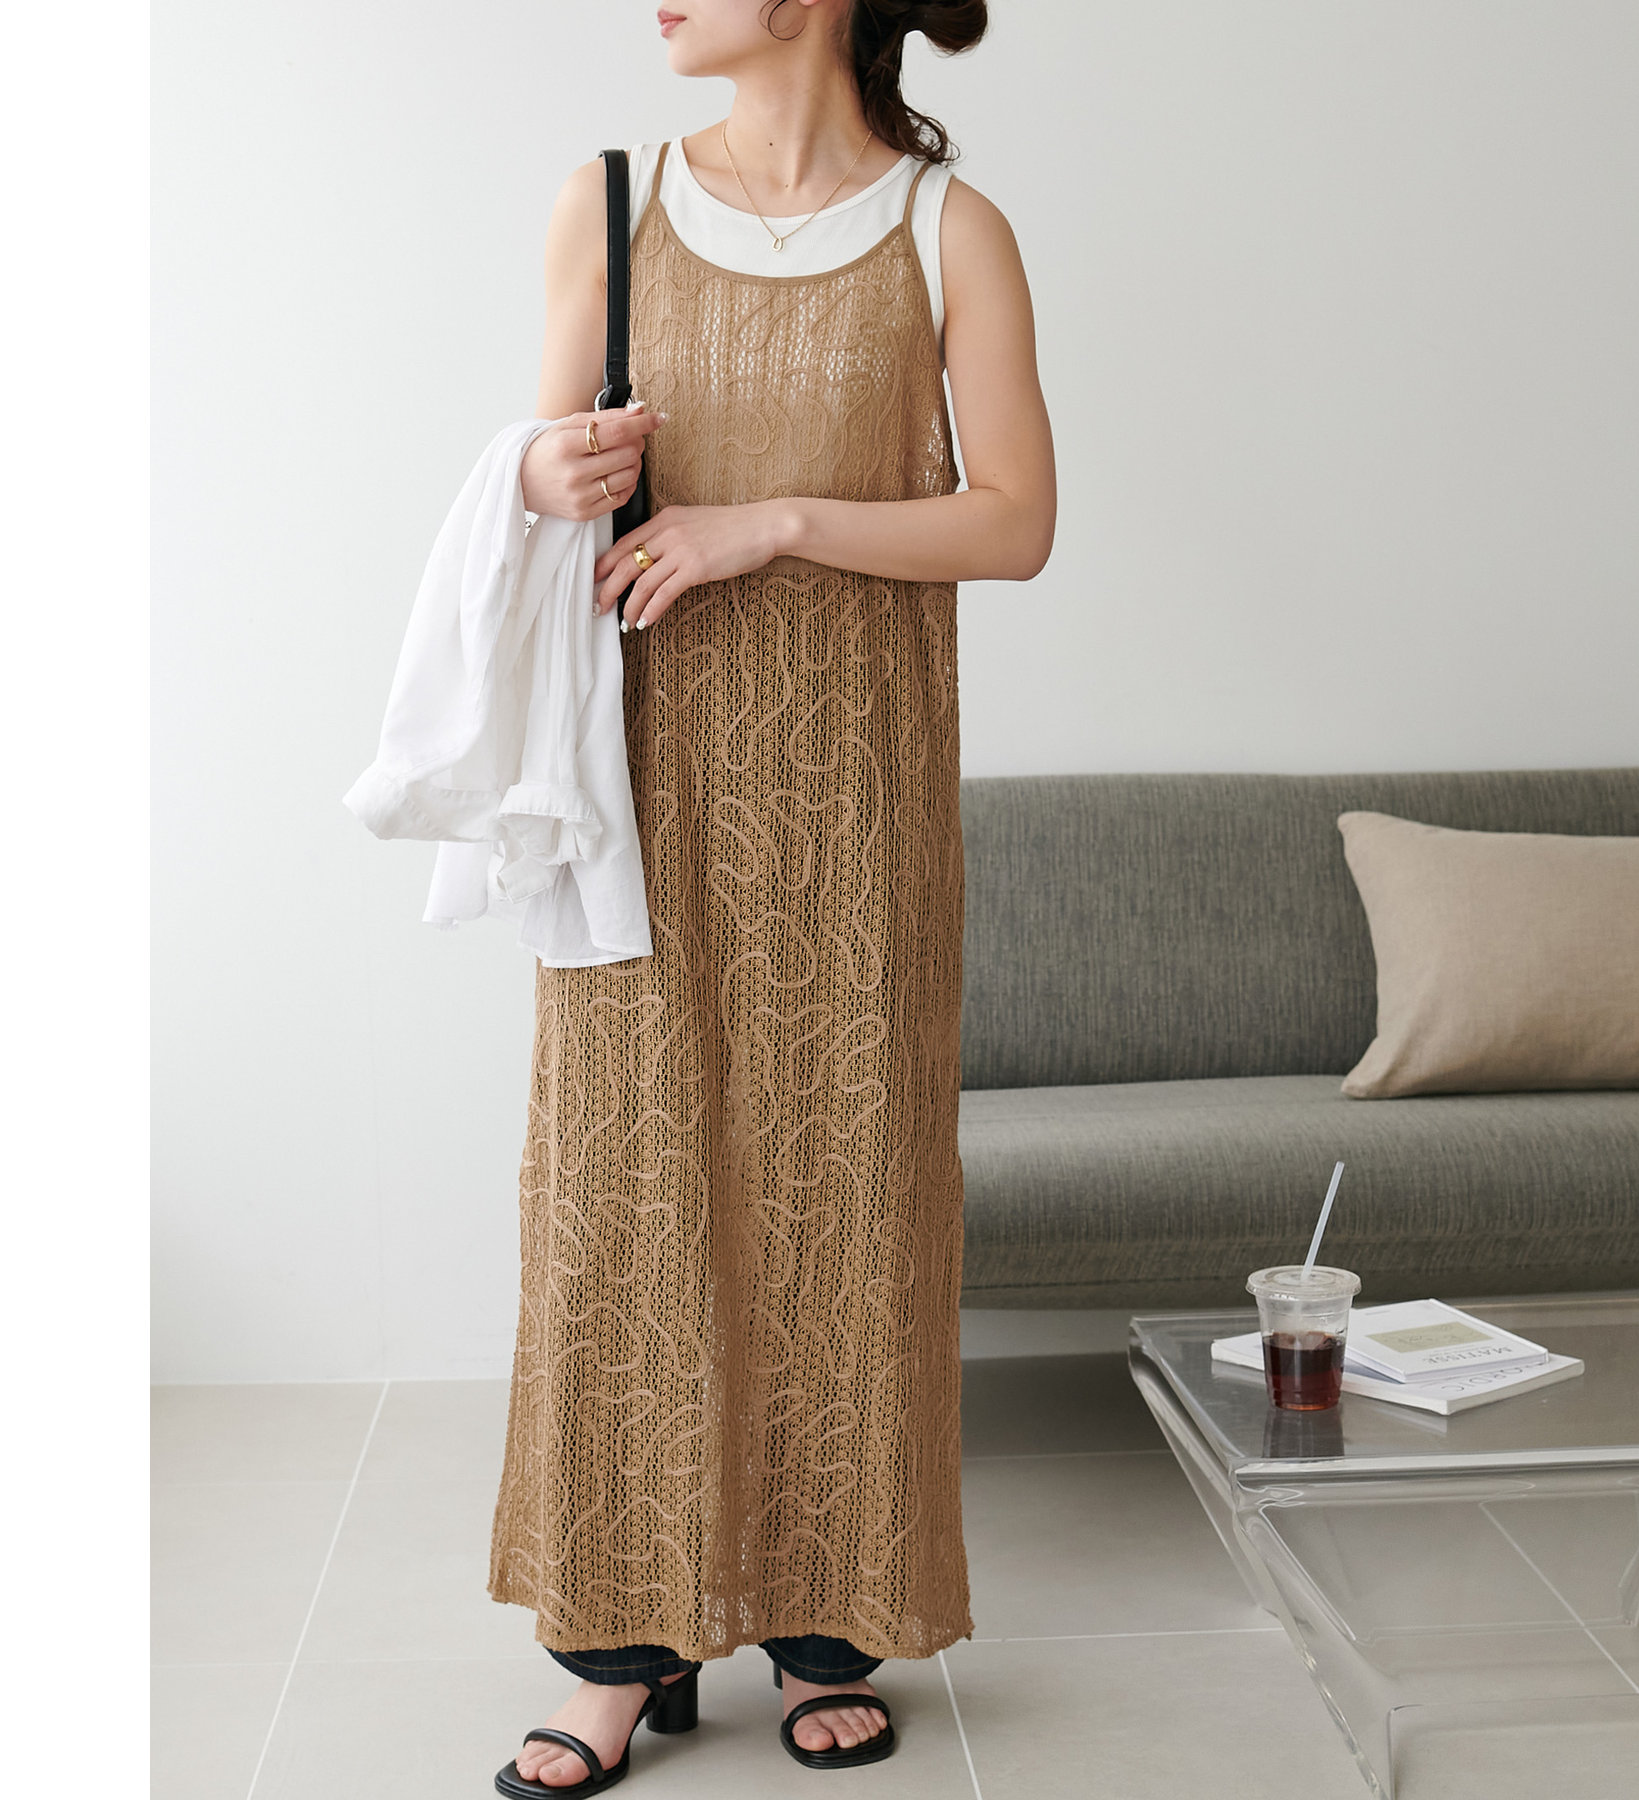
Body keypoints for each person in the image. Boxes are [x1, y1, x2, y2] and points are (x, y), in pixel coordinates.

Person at [488, 2, 1054, 1790]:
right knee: (626, 1194)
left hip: (857, 807)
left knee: (845, 1194)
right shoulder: (608, 202)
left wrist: (776, 520)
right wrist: (541, 467)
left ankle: (827, 1621)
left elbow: (1017, 520)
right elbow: (536, 476)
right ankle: (618, 1645)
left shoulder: (949, 230)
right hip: (637, 798)